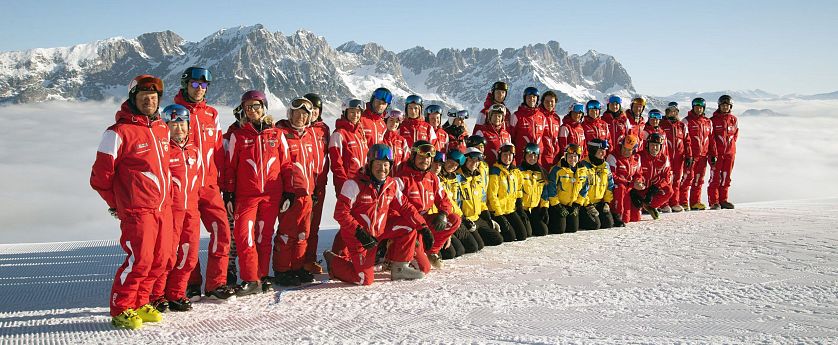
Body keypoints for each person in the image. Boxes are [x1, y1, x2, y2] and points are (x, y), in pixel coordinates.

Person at [91, 74, 170, 329]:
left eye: (154, 96)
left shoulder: (161, 128)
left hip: (162, 207)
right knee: (140, 260)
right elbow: (99, 178)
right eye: (144, 96)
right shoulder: (117, 132)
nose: (149, 100)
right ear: (133, 98)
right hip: (137, 210)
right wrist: (118, 204)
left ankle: (141, 302)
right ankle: (122, 307)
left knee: (161, 259)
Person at [323, 144, 428, 285]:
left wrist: (423, 226)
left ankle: (399, 267)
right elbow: (341, 213)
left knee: (409, 226)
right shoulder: (353, 184)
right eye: (378, 164)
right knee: (364, 280)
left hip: (378, 233)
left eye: (386, 165)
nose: (382, 169)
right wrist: (359, 232)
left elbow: (405, 207)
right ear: (370, 163)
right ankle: (333, 261)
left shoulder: (390, 184)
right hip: (358, 238)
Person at [174, 67, 234, 301]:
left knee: (222, 231)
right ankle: (191, 282)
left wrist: (225, 184)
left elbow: (219, 151)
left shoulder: (212, 114)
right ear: (186, 85)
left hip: (210, 185)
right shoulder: (174, 113)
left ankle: (215, 283)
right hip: (185, 188)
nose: (200, 89)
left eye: (204, 85)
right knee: (188, 238)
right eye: (195, 85)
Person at [222, 90, 286, 296]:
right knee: (244, 237)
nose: (252, 111)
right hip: (246, 196)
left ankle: (262, 277)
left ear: (264, 107)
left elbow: (286, 165)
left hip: (271, 194)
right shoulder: (238, 136)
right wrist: (229, 193)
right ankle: (250, 278)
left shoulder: (276, 134)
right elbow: (230, 167)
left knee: (264, 237)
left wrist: (290, 192)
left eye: (256, 106)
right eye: (248, 107)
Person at [394, 140, 462, 270]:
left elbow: (445, 201)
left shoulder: (432, 178)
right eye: (420, 157)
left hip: (424, 221)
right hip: (409, 224)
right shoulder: (401, 179)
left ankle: (432, 252)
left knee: (454, 219)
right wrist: (419, 227)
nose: (425, 161)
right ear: (413, 157)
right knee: (424, 269)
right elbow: (394, 210)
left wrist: (443, 214)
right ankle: (398, 254)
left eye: (428, 158)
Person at [273, 97, 319, 287]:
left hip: (307, 193)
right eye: (297, 113)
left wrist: (313, 189)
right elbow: (279, 166)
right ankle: (282, 270)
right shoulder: (281, 134)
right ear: (290, 114)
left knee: (303, 234)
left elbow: (313, 164)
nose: (300, 117)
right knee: (287, 233)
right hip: (290, 195)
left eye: (304, 114)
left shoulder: (309, 135)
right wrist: (286, 192)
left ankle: (297, 267)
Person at [159, 104, 201, 312]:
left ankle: (176, 293)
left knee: (189, 254)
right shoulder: (163, 151)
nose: (179, 129)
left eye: (182, 124)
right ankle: (157, 295)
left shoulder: (194, 151)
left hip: (191, 211)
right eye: (173, 125)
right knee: (166, 255)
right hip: (170, 211)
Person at [437, 150, 484, 258]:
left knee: (475, 246)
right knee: (455, 252)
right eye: (450, 163)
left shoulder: (453, 179)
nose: (452, 166)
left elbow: (454, 201)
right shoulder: (438, 179)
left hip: (455, 216)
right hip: (443, 217)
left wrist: (462, 217)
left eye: (455, 165)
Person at [302, 93, 330, 274]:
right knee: (299, 225)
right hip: (302, 184)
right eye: (309, 109)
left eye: (316, 110)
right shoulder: (297, 128)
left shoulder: (323, 129)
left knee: (314, 225)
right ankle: (295, 261)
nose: (312, 113)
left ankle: (310, 259)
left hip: (319, 183)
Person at [460, 147, 504, 246]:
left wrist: (487, 217)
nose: (474, 163)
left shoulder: (477, 177)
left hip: (477, 217)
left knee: (498, 239)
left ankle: (477, 236)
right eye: (471, 160)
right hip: (466, 219)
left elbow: (481, 200)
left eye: (477, 161)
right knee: (476, 246)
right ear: (465, 160)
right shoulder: (458, 178)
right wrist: (463, 219)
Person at [487, 143, 530, 241]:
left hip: (510, 209)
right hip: (498, 211)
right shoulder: (495, 172)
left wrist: (520, 209)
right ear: (500, 156)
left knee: (523, 235)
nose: (507, 157)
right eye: (505, 155)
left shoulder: (515, 172)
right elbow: (492, 196)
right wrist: (499, 215)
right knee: (510, 237)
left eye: (510, 155)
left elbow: (519, 189)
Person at [545, 144, 590, 234]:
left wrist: (577, 205)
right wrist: (558, 206)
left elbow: (585, 189)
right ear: (565, 156)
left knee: (573, 229)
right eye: (570, 156)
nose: (572, 159)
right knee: (559, 230)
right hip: (558, 205)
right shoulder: (557, 169)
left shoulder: (583, 170)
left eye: (575, 156)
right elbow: (551, 189)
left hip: (572, 205)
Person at [329, 99, 368, 194]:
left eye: (358, 112)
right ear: (345, 112)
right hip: (347, 185)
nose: (355, 115)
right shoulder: (339, 134)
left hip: (363, 184)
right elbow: (336, 164)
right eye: (352, 112)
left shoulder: (360, 133)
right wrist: (343, 185)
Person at [631, 133, 673, 220]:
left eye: (657, 145)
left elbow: (667, 176)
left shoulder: (664, 158)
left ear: (661, 147)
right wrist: (635, 188)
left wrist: (655, 188)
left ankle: (649, 206)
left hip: (652, 189)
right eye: (652, 145)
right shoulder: (639, 156)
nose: (654, 148)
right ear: (647, 145)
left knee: (669, 190)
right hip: (639, 189)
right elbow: (633, 173)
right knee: (635, 218)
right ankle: (639, 206)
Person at [708, 95, 739, 210]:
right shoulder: (713, 120)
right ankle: (714, 201)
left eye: (727, 105)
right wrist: (713, 153)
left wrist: (731, 149)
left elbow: (735, 135)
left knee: (726, 177)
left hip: (730, 154)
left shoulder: (733, 119)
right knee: (715, 178)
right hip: (716, 154)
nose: (725, 107)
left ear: (730, 106)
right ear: (719, 106)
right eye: (723, 105)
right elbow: (711, 138)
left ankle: (723, 200)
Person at [683, 97, 713, 211]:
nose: (698, 109)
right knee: (687, 179)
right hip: (691, 156)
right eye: (696, 107)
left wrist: (713, 154)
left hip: (703, 156)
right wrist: (687, 155)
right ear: (693, 107)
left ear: (703, 108)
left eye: (701, 107)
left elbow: (711, 139)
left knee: (699, 179)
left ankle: (695, 202)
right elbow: (684, 139)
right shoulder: (686, 121)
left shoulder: (708, 122)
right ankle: (683, 202)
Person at [660, 102, 691, 212]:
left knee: (677, 180)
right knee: (666, 180)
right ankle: (664, 203)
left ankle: (674, 202)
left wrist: (689, 155)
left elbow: (687, 141)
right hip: (666, 158)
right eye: (670, 111)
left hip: (679, 157)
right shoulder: (662, 124)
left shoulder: (681, 125)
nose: (672, 113)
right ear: (667, 112)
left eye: (675, 111)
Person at [606, 135, 642, 225]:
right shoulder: (612, 156)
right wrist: (629, 183)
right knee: (620, 187)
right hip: (617, 188)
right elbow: (612, 176)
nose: (625, 151)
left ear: (633, 150)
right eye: (624, 148)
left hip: (629, 189)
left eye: (629, 150)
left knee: (635, 218)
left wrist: (638, 182)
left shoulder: (636, 158)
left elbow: (639, 174)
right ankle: (616, 214)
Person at [580, 139, 615, 230]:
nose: (603, 153)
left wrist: (607, 202)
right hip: (585, 204)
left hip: (599, 203)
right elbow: (580, 189)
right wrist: (588, 205)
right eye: (600, 151)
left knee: (608, 223)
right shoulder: (583, 166)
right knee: (595, 225)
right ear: (593, 150)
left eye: (605, 150)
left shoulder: (606, 166)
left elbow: (610, 186)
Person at [509, 86, 547, 165]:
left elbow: (544, 136)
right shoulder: (517, 116)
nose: (531, 99)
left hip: (537, 156)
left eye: (534, 97)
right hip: (522, 156)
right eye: (529, 97)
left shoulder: (542, 116)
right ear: (524, 98)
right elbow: (511, 137)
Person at [519, 143, 550, 237]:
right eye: (529, 155)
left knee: (543, 231)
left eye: (534, 155)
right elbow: (516, 192)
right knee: (527, 233)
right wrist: (519, 209)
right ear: (524, 156)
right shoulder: (519, 171)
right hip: (523, 209)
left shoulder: (542, 172)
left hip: (535, 208)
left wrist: (544, 207)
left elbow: (545, 192)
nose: (532, 158)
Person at [383, 109, 411, 174]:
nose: (394, 123)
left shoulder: (402, 141)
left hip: (397, 179)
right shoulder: (380, 138)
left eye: (397, 122)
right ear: (386, 121)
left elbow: (406, 161)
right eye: (391, 120)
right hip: (383, 179)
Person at [539, 91, 561, 168]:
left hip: (555, 157)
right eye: (547, 101)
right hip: (542, 157)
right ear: (542, 102)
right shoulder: (538, 115)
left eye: (552, 101)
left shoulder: (556, 118)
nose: (549, 103)